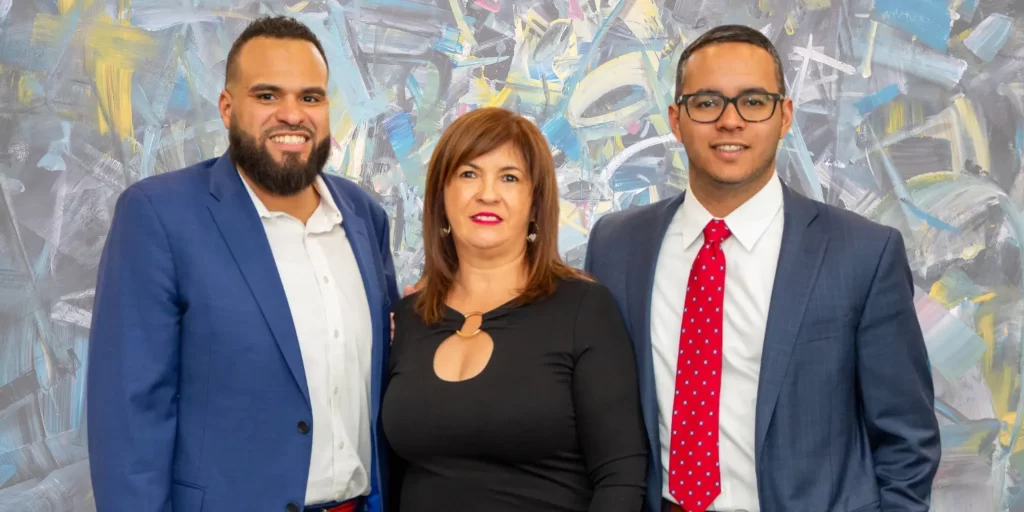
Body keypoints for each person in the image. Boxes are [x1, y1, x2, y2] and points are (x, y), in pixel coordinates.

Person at [584, 24, 941, 512]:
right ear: (675, 119)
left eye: (753, 101)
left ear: (785, 115)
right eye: (707, 102)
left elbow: (907, 440)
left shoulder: (862, 254)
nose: (730, 121)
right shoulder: (617, 245)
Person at [86, 16, 400, 512]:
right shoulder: (159, 216)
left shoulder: (365, 217)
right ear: (228, 109)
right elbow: (129, 415)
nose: (292, 115)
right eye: (268, 95)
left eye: (310, 97)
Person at [381, 107, 648, 512]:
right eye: (469, 174)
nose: (487, 193)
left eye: (509, 177)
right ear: (441, 196)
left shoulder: (584, 310)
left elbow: (621, 479)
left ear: (536, 202)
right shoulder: (411, 318)